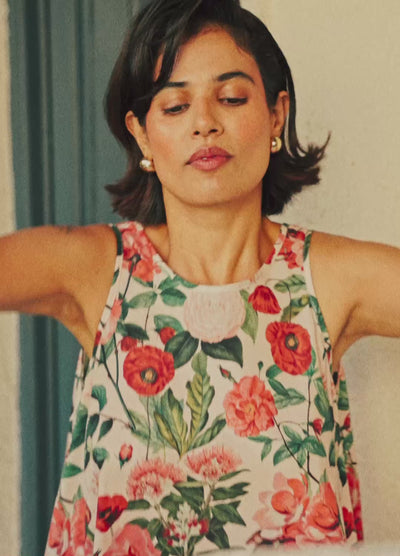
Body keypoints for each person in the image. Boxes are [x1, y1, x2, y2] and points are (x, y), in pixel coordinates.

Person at [1, 0, 399, 554]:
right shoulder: (96, 270)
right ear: (141, 135)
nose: (205, 122)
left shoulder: (328, 278)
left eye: (231, 97)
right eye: (175, 105)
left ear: (277, 115)